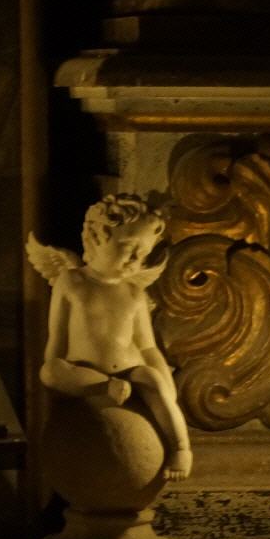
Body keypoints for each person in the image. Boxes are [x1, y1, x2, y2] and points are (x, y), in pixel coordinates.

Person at [27, 194, 191, 479]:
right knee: (50, 371)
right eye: (128, 248)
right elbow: (57, 338)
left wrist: (164, 379)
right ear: (95, 238)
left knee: (154, 381)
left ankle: (181, 448)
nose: (135, 259)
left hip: (131, 370)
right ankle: (105, 386)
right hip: (87, 374)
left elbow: (147, 346)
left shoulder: (133, 292)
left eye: (143, 252)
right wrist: (57, 379)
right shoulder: (72, 282)